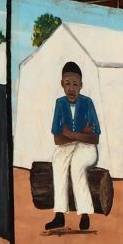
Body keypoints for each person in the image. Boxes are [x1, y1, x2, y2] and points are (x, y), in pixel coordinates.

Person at [46, 61, 101, 232]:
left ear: (81, 85)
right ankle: (60, 214)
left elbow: (95, 138)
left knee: (77, 164)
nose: (71, 88)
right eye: (67, 83)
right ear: (62, 84)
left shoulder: (87, 103)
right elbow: (57, 138)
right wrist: (78, 134)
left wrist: (72, 134)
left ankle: (85, 213)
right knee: (58, 159)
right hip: (68, 145)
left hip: (87, 148)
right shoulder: (60, 104)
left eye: (75, 84)